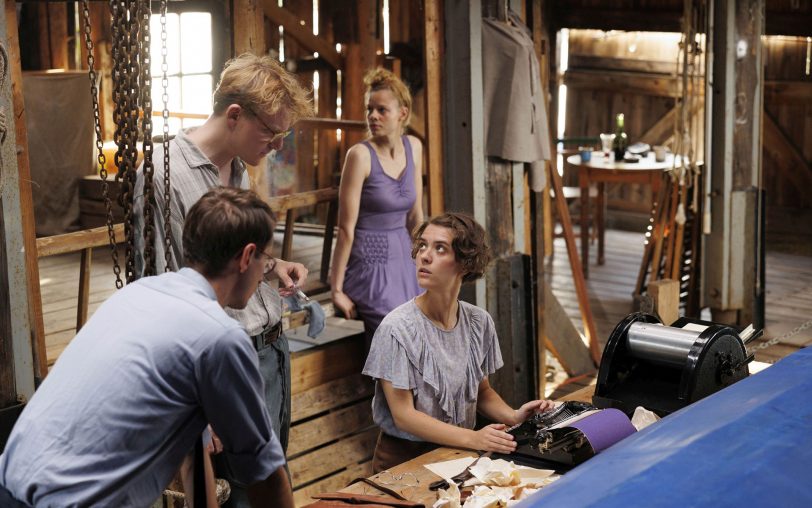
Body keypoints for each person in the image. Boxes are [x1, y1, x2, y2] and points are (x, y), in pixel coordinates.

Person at [0, 188, 293, 508]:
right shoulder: (220, 337)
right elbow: (264, 475)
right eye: (266, 260)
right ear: (248, 256)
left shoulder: (138, 295)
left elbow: (191, 444)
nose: (264, 271)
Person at [132, 54, 312, 506]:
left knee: (266, 483)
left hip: (270, 349)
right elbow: (157, 290)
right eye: (271, 133)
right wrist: (197, 407)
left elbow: (231, 259)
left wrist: (271, 266)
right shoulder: (163, 174)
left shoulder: (239, 166)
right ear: (235, 115)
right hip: (221, 362)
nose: (276, 145)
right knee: (236, 497)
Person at [362, 213, 555, 472]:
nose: (425, 256)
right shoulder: (397, 329)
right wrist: (474, 438)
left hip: (459, 456)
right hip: (404, 465)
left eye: (439, 248)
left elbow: (482, 392)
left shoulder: (478, 323)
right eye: (422, 245)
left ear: (465, 264)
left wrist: (513, 416)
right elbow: (404, 416)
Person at [330, 68, 423, 342]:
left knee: (426, 324)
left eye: (382, 110)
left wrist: (427, 262)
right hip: (370, 263)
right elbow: (345, 229)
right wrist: (336, 289)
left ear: (402, 114)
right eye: (370, 109)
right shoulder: (359, 156)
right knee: (396, 332)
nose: (372, 116)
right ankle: (389, 386)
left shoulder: (414, 147)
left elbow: (416, 216)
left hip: (405, 256)